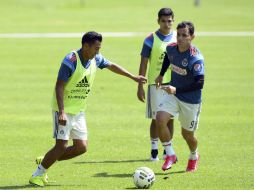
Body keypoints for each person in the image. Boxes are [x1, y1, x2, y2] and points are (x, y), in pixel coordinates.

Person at [29, 31, 147, 187]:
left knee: (81, 147)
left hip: (79, 110)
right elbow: (59, 86)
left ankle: (46, 159)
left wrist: (133, 77)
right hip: (63, 109)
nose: (98, 52)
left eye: (99, 48)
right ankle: (37, 175)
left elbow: (111, 65)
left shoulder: (95, 58)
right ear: (86, 46)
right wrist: (62, 112)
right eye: (96, 48)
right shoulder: (70, 60)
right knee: (61, 145)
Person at [155, 21, 204, 172]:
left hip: (190, 101)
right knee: (160, 118)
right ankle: (170, 154)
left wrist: (175, 89)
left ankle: (194, 155)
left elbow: (200, 83)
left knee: (187, 135)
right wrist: (161, 75)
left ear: (192, 37)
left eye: (185, 35)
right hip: (174, 95)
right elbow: (168, 59)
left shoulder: (195, 58)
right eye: (179, 35)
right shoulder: (171, 48)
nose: (180, 38)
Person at [137, 7, 176, 161]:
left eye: (169, 21)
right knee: (155, 119)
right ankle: (154, 149)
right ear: (158, 21)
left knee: (170, 118)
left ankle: (168, 149)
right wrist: (140, 85)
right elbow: (144, 63)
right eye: (164, 21)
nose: (167, 24)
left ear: (173, 20)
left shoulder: (177, 38)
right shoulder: (150, 39)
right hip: (156, 85)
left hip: (173, 85)